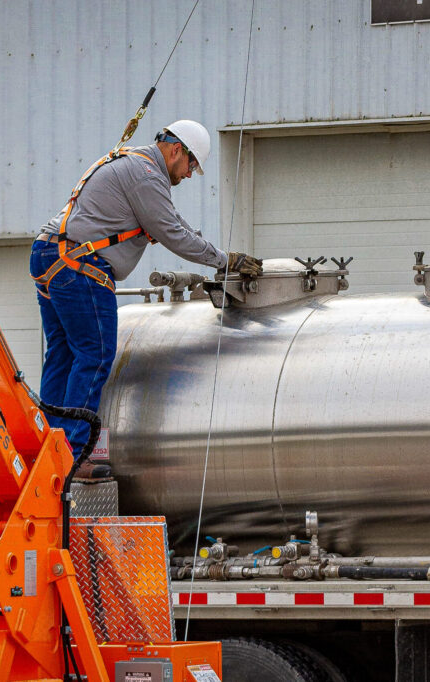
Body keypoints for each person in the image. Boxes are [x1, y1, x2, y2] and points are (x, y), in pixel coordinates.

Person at [30, 120, 263, 478]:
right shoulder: (147, 176)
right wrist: (224, 260)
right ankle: (73, 455)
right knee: (95, 354)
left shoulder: (135, 164)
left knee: (63, 353)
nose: (189, 174)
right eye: (191, 165)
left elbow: (175, 223)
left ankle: (46, 449)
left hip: (50, 255)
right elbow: (173, 234)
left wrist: (211, 250)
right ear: (176, 150)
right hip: (79, 266)